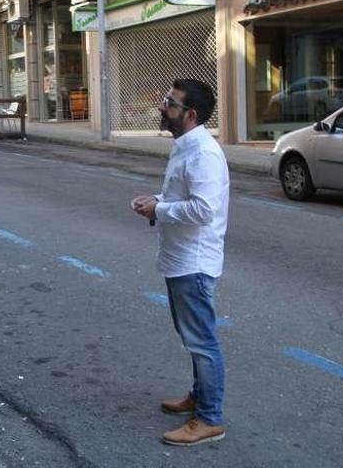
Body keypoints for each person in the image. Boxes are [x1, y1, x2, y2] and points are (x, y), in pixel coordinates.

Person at [131, 79, 229, 447]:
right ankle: (199, 397)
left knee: (203, 342)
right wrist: (154, 201)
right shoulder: (185, 146)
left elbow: (204, 209)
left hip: (194, 263)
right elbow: (181, 196)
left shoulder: (203, 153)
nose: (161, 107)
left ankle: (210, 418)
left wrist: (160, 208)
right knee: (192, 337)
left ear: (189, 115)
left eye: (169, 103)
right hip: (179, 260)